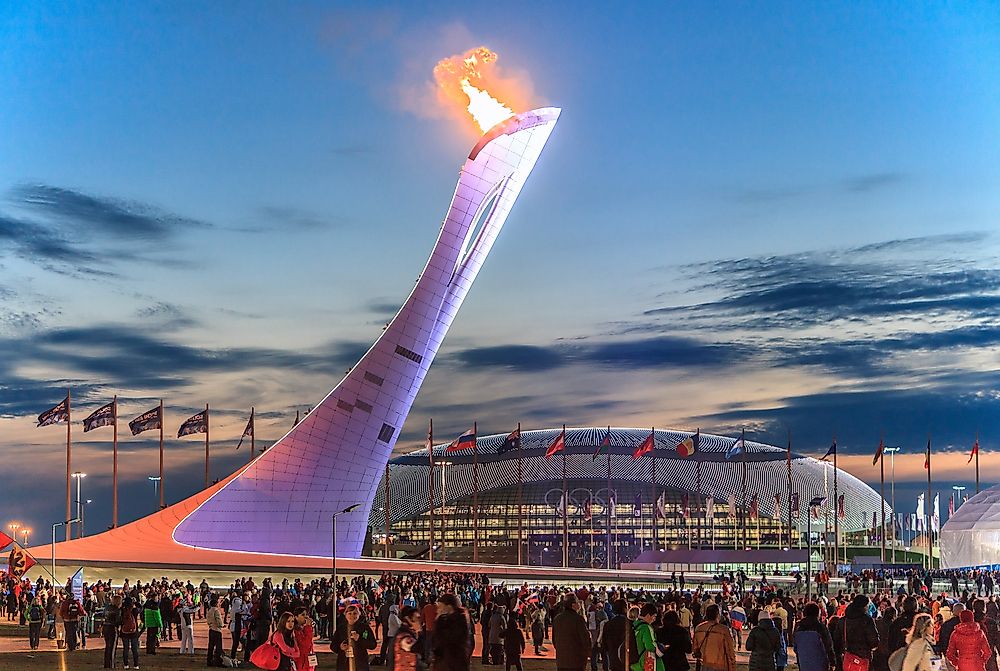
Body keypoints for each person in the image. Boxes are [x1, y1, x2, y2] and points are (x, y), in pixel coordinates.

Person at [831, 594, 880, 670]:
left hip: (847, 658)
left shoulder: (843, 621)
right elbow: (874, 641)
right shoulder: (867, 620)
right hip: (864, 658)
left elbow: (836, 640)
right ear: (864, 606)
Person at [332, 603, 377, 671]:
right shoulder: (341, 628)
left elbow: (373, 645)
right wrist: (340, 647)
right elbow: (333, 646)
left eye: (355, 613)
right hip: (344, 664)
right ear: (345, 614)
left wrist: (359, 639)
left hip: (360, 664)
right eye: (350, 613)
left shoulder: (364, 628)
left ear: (359, 614)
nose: (352, 616)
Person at [554, 593, 592, 671]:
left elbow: (554, 640)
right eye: (578, 603)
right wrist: (588, 653)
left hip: (562, 660)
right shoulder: (578, 619)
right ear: (573, 605)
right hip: (576, 661)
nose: (579, 605)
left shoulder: (557, 618)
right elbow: (585, 639)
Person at [432, 593, 470, 671]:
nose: (438, 610)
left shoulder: (459, 620)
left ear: (448, 607)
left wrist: (439, 621)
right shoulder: (447, 619)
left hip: (453, 662)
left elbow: (445, 639)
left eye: (440, 607)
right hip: (446, 661)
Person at [693, 604, 736, 671]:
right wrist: (732, 667)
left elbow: (695, 648)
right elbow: (730, 651)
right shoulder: (723, 630)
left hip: (703, 664)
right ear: (717, 615)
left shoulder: (699, 628)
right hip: (719, 665)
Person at [602, 599, 639, 671]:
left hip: (613, 659)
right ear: (625, 608)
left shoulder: (608, 624)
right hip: (627, 659)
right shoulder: (630, 624)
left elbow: (604, 644)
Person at [630, 603, 663, 671]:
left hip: (634, 663)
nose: (654, 619)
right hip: (644, 663)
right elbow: (650, 646)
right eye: (654, 616)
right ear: (648, 615)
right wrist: (661, 647)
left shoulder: (634, 625)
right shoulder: (646, 627)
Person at [394, 605, 423, 671]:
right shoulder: (403, 636)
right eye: (416, 618)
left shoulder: (407, 633)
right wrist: (420, 632)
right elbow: (418, 648)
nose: (419, 621)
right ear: (408, 619)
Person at [293, 605, 317, 671]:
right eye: (303, 615)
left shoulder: (304, 628)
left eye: (306, 614)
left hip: (309, 659)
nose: (306, 617)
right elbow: (305, 644)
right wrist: (308, 627)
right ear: (296, 617)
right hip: (301, 662)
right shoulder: (296, 631)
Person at [120, 596, 141, 669]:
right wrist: (136, 602)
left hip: (124, 631)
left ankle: (126, 664)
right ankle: (136, 665)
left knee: (126, 648)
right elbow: (141, 608)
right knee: (134, 648)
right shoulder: (134, 610)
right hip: (134, 631)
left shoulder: (122, 610)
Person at [102, 594, 122, 668]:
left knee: (107, 646)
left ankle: (106, 663)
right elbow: (118, 620)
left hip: (106, 627)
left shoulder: (107, 608)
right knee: (112, 647)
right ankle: (111, 664)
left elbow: (103, 616)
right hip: (113, 628)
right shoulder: (117, 610)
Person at [207, 594, 225, 666]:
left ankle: (209, 660)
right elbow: (218, 620)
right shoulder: (216, 611)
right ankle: (218, 661)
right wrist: (222, 625)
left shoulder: (209, 611)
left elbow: (208, 621)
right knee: (218, 647)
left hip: (211, 629)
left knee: (210, 646)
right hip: (217, 630)